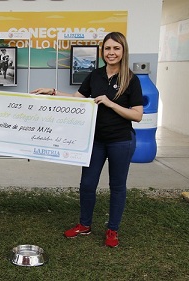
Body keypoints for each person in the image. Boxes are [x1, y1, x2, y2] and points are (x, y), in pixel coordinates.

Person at [31, 32, 143, 247]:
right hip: (95, 141)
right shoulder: (95, 75)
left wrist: (111, 104)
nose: (111, 53)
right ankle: (84, 225)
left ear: (123, 51)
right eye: (108, 48)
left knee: (117, 186)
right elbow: (77, 99)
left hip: (121, 141)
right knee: (87, 184)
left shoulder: (131, 79)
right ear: (103, 52)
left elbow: (137, 115)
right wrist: (52, 91)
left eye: (116, 48)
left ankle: (112, 230)